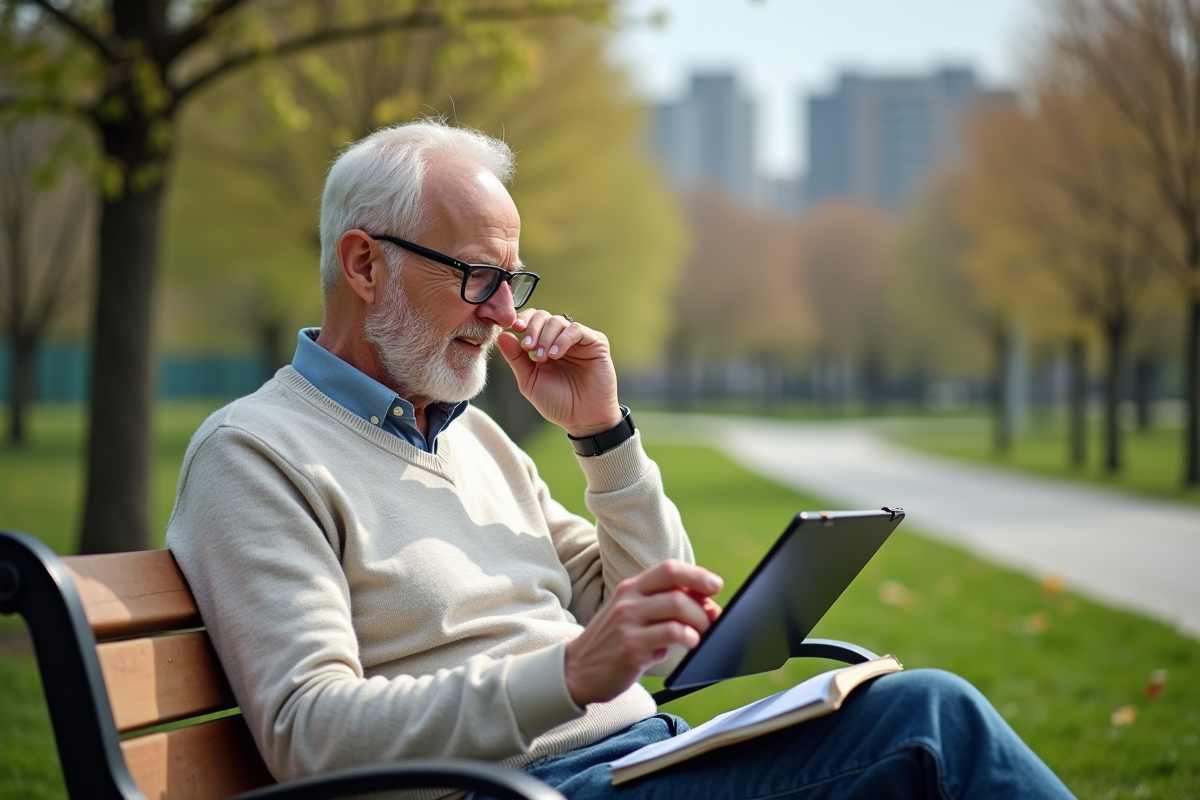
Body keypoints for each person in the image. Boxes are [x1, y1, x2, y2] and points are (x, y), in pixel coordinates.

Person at [166, 120, 1075, 800]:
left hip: (636, 760)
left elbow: (642, 615)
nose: (503, 314)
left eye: (513, 283)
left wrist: (603, 439)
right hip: (524, 789)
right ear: (364, 265)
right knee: (926, 725)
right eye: (477, 277)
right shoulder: (256, 454)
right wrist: (565, 677)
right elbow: (309, 735)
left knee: (905, 708)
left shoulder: (473, 437)